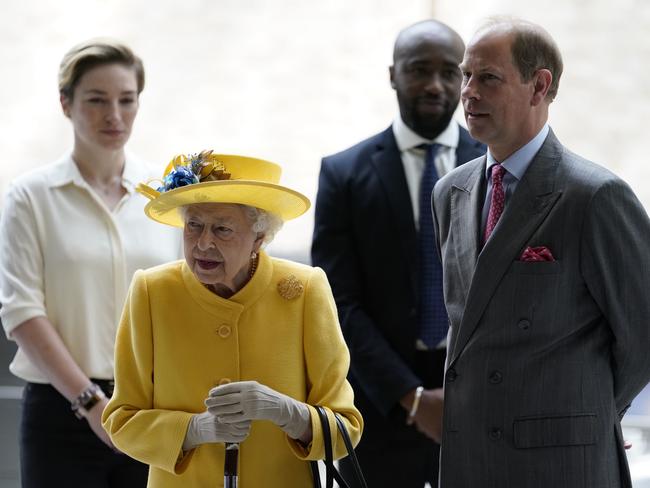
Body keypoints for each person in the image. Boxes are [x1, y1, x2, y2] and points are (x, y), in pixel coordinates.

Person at [432, 17, 650, 487]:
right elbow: (463, 326)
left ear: (539, 86)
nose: (468, 92)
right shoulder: (449, 192)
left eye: (488, 77)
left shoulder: (595, 196)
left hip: (561, 462)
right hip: (468, 455)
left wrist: (592, 414)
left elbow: (644, 333)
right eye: (465, 75)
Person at [101, 150, 363, 487]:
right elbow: (121, 422)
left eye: (222, 229)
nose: (203, 243)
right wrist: (194, 430)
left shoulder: (305, 290)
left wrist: (286, 412)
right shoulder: (152, 291)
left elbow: (346, 429)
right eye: (193, 225)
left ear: (259, 238)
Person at [311, 19, 484, 488]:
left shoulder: (499, 167)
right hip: (377, 408)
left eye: (451, 72)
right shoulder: (343, 174)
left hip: (483, 405)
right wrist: (410, 396)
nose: (435, 84)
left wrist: (464, 394)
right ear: (393, 74)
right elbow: (336, 303)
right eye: (418, 69)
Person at [0, 39, 181, 487]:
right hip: (62, 412)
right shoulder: (29, 197)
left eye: (126, 100)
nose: (114, 116)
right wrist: (91, 403)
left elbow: (183, 297)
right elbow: (22, 312)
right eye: (96, 100)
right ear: (66, 104)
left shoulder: (164, 196)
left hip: (151, 410)